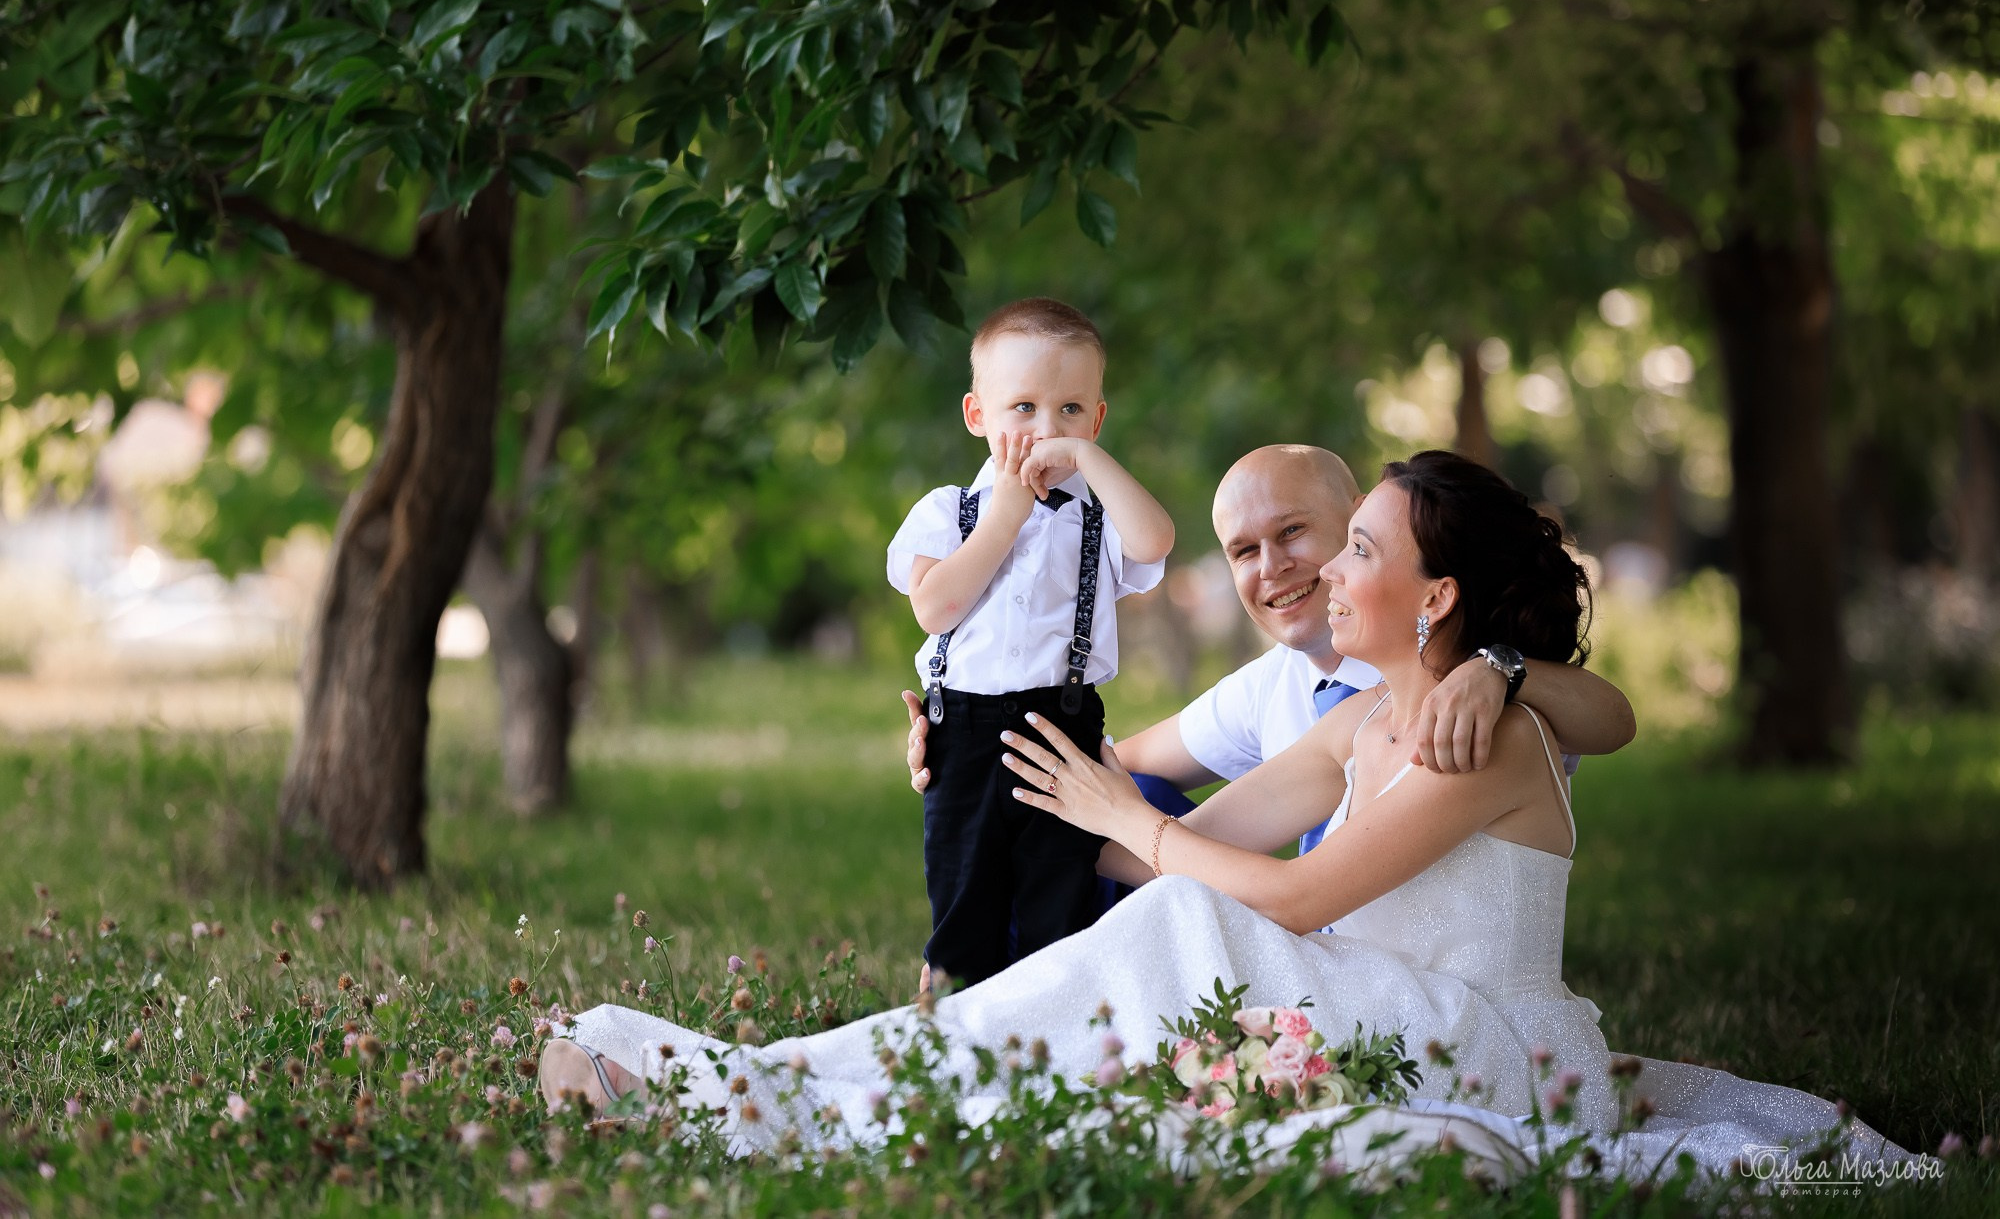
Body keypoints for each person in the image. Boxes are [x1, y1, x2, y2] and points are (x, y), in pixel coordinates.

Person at [541, 452, 1908, 1181]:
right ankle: (755, 1088)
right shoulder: (1357, 717)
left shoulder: (1486, 726)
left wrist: (1132, 826)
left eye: (1357, 547)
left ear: (1432, 597)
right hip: (1367, 1002)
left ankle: (764, 1107)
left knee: (1184, 914)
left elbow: (1294, 896)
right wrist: (979, 777)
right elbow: (1211, 817)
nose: (1321, 574)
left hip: (1481, 1044)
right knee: (1148, 936)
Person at [905, 444, 1636, 856]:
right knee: (1120, 798)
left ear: (1362, 529)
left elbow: (1612, 719)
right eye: (1242, 551)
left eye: (1293, 534)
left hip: (1409, 980)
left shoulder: (1466, 688)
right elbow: (1114, 766)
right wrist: (963, 742)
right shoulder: (1288, 692)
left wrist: (1497, 668)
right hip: (1310, 943)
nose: (1271, 568)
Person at [885, 297, 1173, 989]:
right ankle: (953, 1036)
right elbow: (937, 607)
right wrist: (1007, 510)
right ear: (977, 414)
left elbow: (1157, 540)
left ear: (1097, 420)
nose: (1047, 429)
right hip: (967, 731)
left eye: (1071, 410)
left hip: (1062, 721)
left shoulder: (1100, 517)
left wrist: (1086, 461)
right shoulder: (948, 510)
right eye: (1023, 408)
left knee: (1060, 894)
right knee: (965, 894)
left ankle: (1053, 1027)